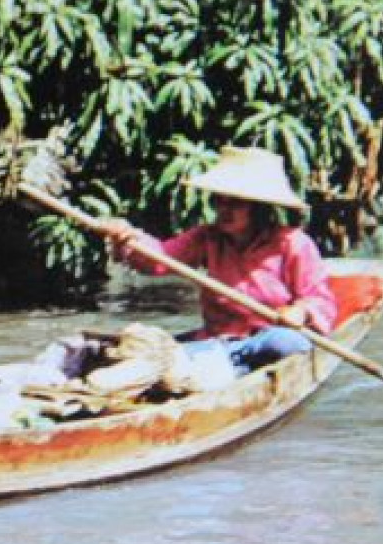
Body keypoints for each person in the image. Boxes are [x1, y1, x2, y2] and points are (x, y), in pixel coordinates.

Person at [96, 146, 337, 375]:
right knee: (141, 354)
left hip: (269, 338)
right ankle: (225, 365)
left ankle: (223, 365)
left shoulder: (291, 243)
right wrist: (128, 238)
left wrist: (300, 311)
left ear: (258, 207)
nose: (224, 209)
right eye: (219, 201)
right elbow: (159, 259)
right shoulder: (207, 238)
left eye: (235, 203)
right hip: (218, 340)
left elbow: (320, 300)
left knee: (285, 344)